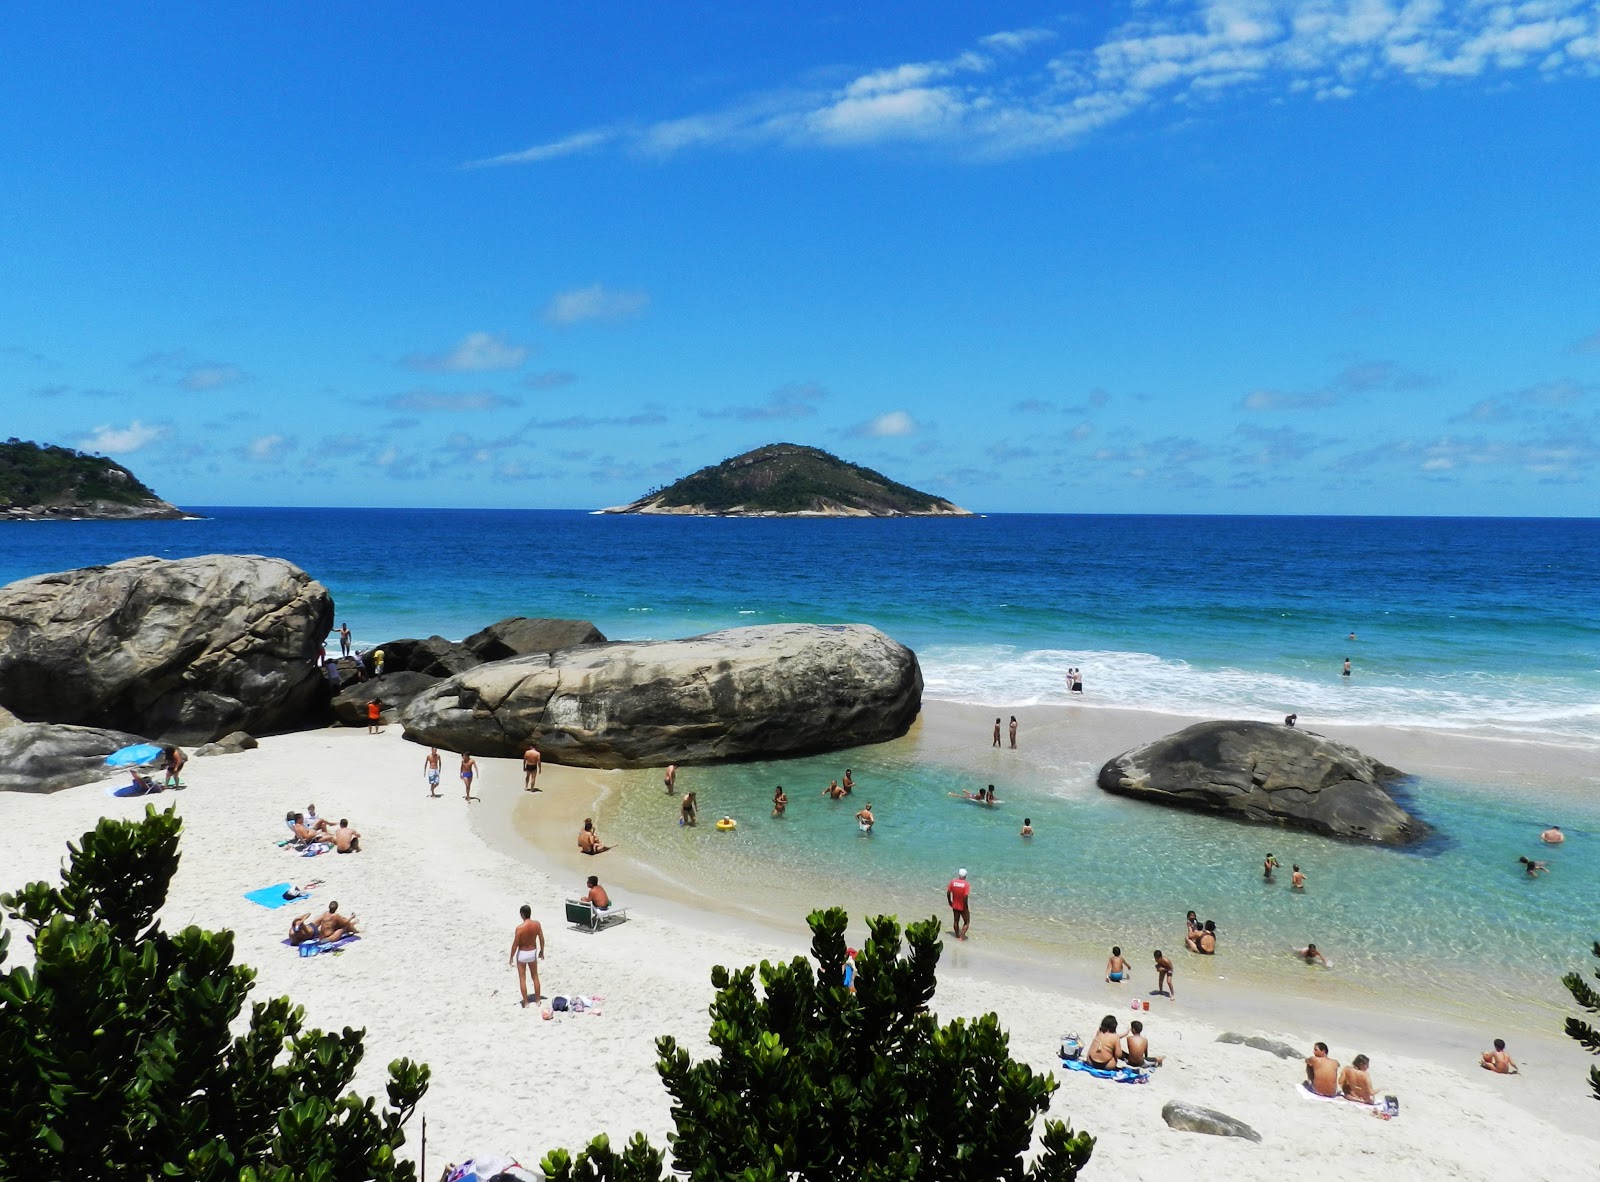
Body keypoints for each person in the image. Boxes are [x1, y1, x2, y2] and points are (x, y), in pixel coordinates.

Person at [509, 904, 545, 1008]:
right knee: (535, 977)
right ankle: (538, 1000)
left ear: (522, 915)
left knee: (522, 979)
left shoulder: (519, 928)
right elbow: (542, 939)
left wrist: (511, 957)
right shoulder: (537, 925)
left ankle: (526, 1002)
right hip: (532, 952)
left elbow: (515, 944)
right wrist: (542, 951)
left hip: (522, 954)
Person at [947, 868, 971, 941]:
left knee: (956, 921)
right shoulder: (966, 885)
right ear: (965, 876)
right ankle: (961, 938)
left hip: (955, 905)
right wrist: (966, 906)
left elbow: (948, 892)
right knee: (966, 922)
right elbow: (965, 896)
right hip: (963, 906)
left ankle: (957, 935)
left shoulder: (953, 882)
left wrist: (949, 901)